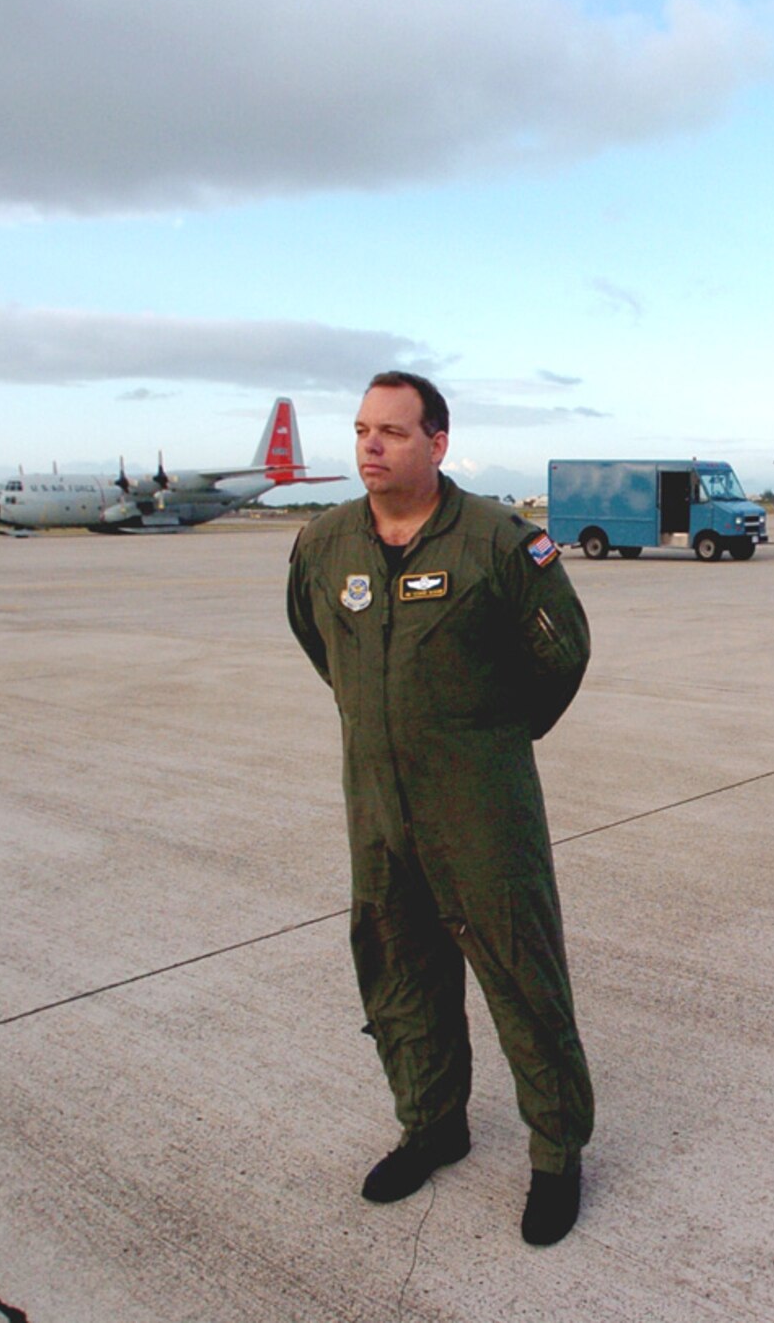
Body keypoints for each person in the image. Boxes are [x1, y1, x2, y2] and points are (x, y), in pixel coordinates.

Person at [286, 371, 595, 1247]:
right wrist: (383, 721)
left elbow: (561, 655)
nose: (370, 447)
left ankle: (557, 1152)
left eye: (391, 431)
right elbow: (322, 645)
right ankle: (432, 1125)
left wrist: (484, 738)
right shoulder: (325, 543)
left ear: (437, 443)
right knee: (398, 966)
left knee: (520, 972)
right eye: (360, 431)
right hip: (377, 802)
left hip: (480, 803)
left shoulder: (500, 544)